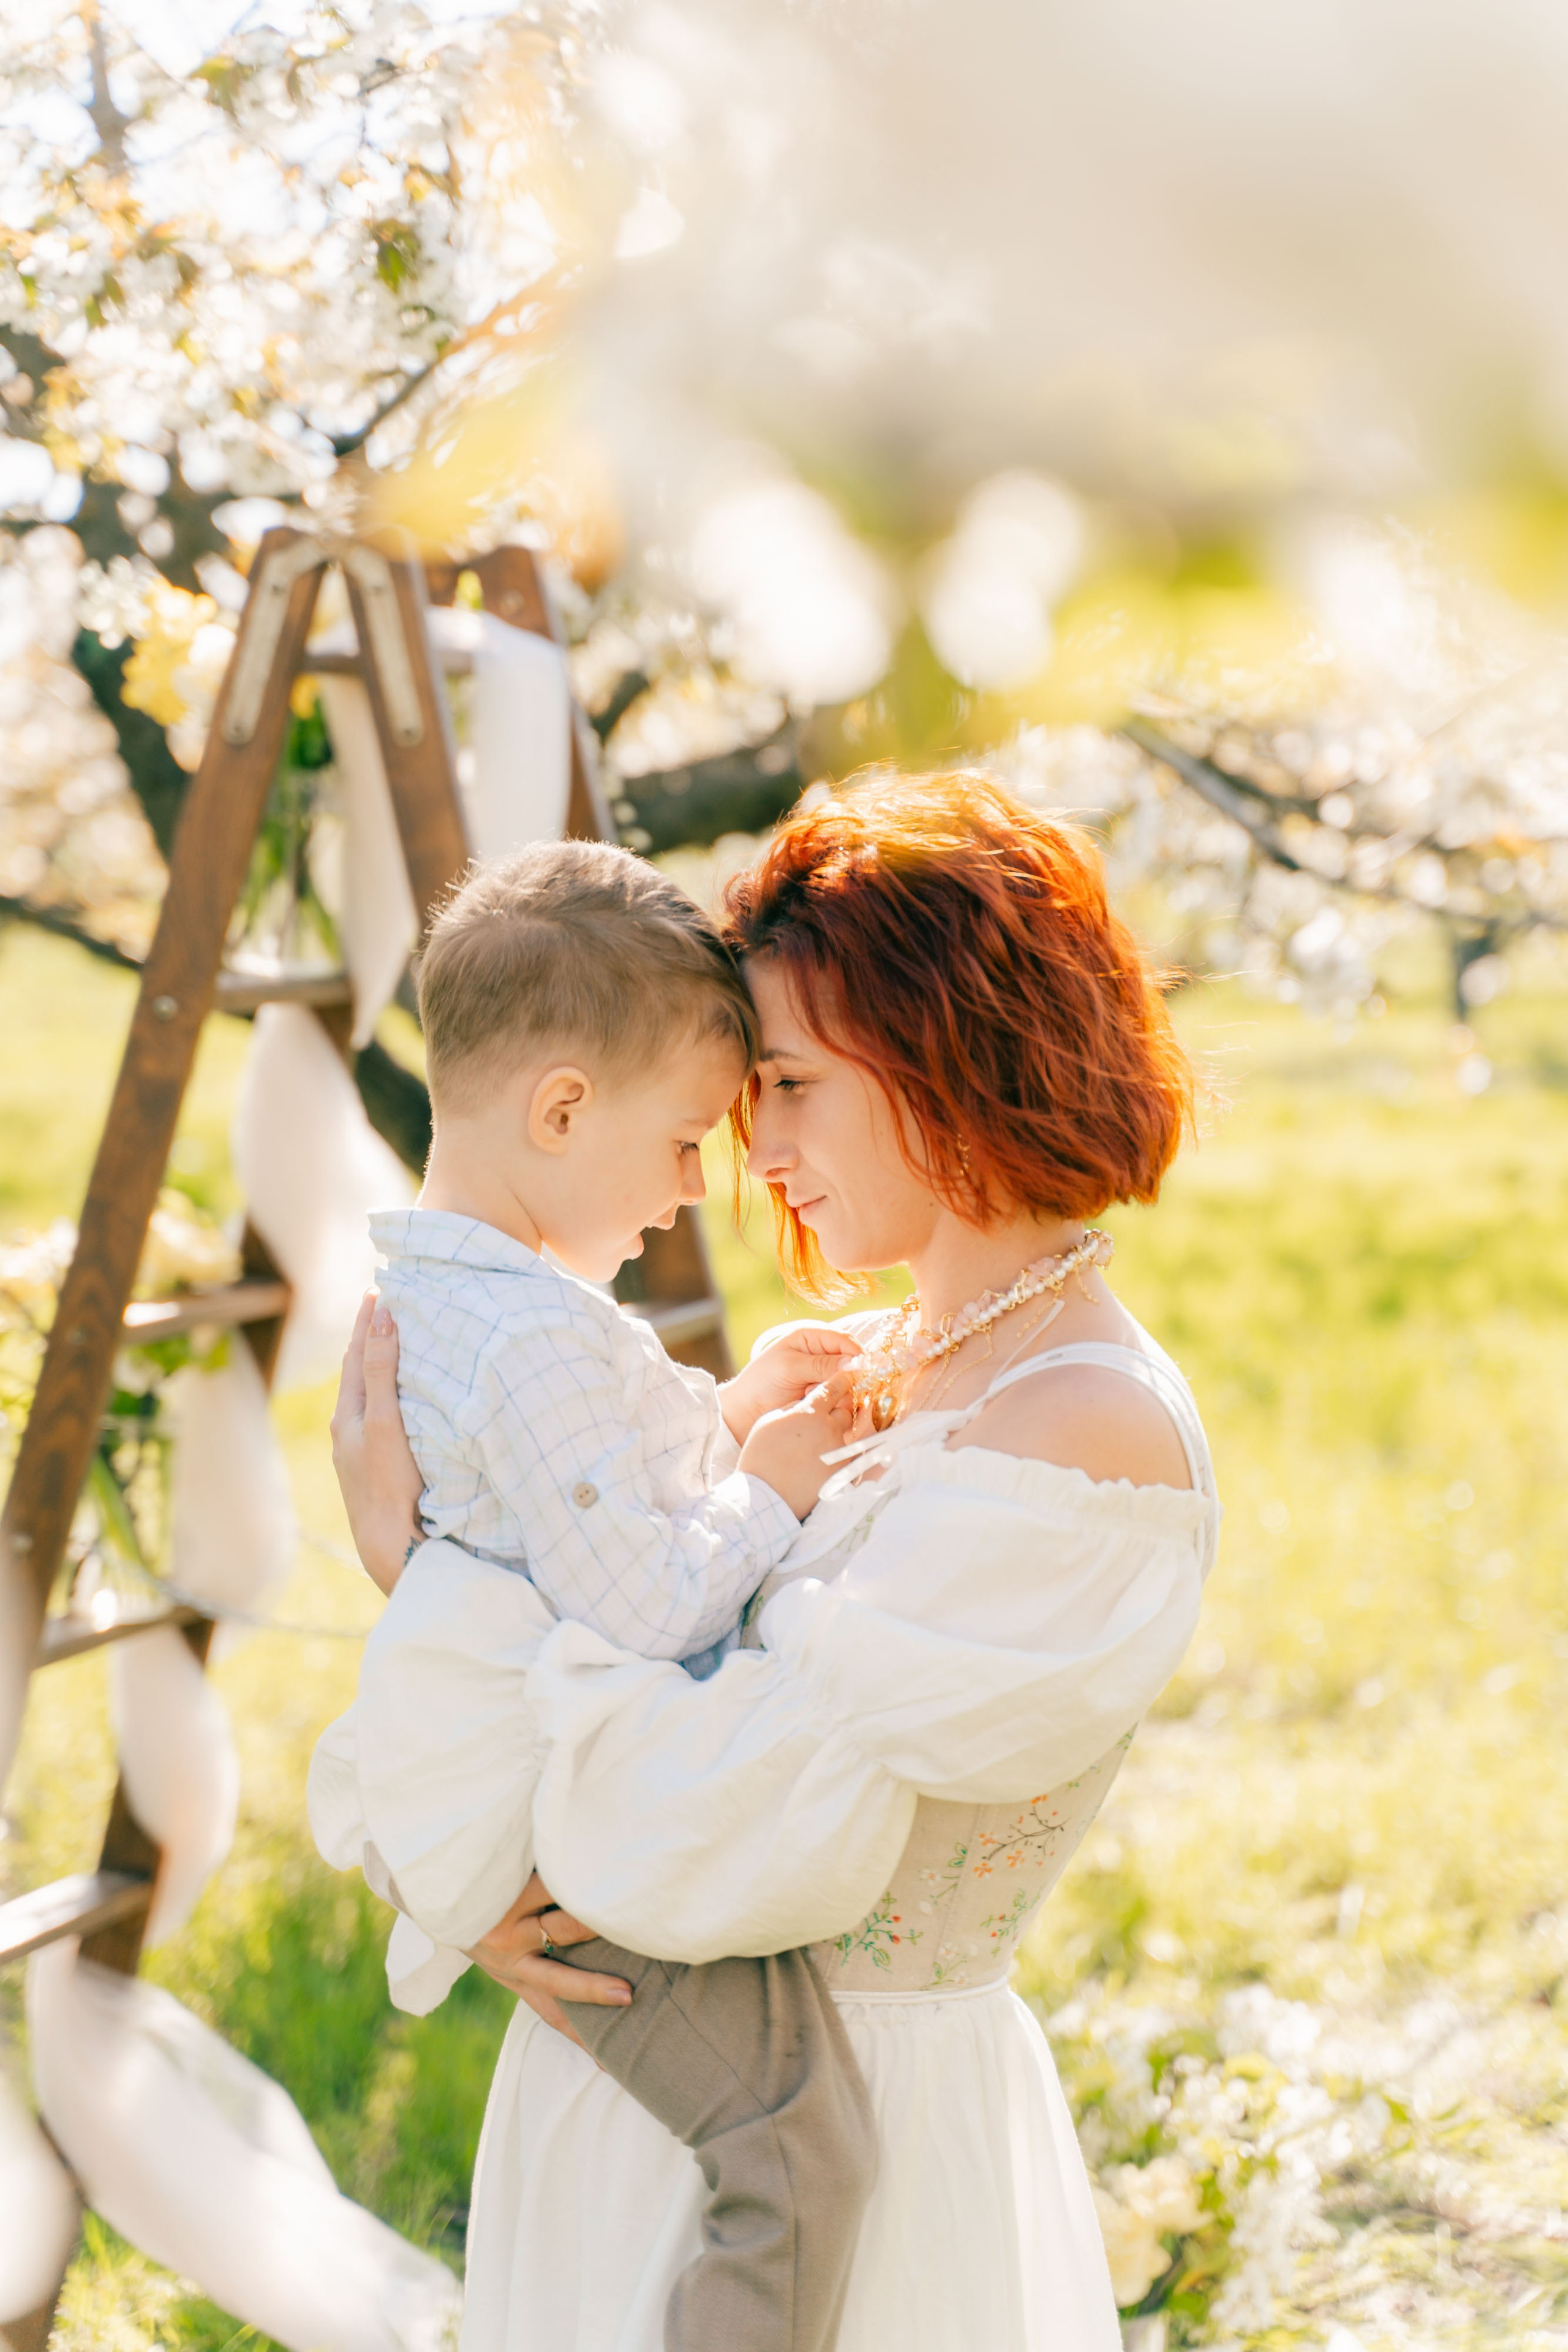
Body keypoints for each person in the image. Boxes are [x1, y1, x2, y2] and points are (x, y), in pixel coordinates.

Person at [329, 771, 1221, 2352]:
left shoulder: (1083, 1434)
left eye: (794, 1082)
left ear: (945, 1045)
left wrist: (416, 1570)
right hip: (647, 2109)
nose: (756, 1145)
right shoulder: (876, 1365)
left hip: (846, 2161)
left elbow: (710, 1796)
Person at [309, 842, 878, 2352]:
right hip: (586, 1804)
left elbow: (560, 1521)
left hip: (538, 1777)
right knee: (791, 2149)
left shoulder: (436, 1298)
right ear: (560, 1109)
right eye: (687, 1139)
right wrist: (773, 1486)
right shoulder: (535, 1335)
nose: (701, 1184)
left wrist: (726, 1407)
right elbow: (634, 1603)